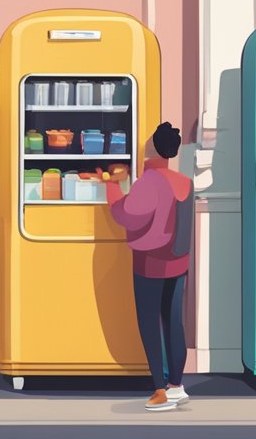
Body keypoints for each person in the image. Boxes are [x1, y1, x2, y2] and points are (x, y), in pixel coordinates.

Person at [106, 122, 194, 412]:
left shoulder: (149, 182)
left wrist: (110, 185)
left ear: (153, 148)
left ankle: (159, 390)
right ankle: (177, 386)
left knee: (148, 324)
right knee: (173, 321)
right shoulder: (184, 181)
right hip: (178, 261)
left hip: (150, 262)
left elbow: (128, 216)